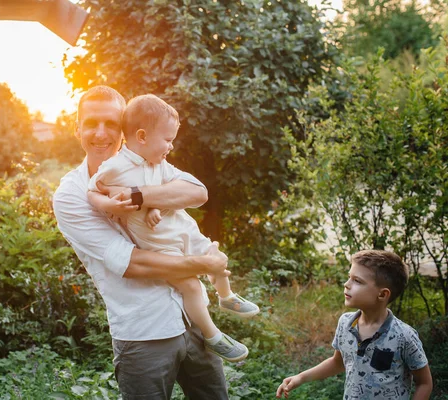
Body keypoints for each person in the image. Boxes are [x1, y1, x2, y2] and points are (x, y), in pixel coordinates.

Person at [52, 86, 232, 399]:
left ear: (125, 131)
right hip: (144, 333)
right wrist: (203, 264)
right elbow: (132, 263)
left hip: (192, 317)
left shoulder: (152, 168)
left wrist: (141, 196)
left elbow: (196, 192)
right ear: (77, 127)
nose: (101, 133)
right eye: (91, 123)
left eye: (111, 123)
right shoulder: (71, 195)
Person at [86, 94, 259, 363]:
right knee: (190, 285)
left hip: (181, 230)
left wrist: (152, 206)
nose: (171, 146)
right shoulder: (115, 167)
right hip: (159, 246)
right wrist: (110, 204)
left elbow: (173, 192)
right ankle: (213, 335)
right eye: (167, 140)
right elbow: (92, 192)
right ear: (142, 136)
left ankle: (226, 296)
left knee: (212, 252)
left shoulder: (160, 165)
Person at [276, 250, 433, 400]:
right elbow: (338, 362)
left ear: (383, 294)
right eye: (349, 277)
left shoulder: (404, 336)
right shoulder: (345, 323)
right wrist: (300, 377)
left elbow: (425, 383)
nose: (346, 284)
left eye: (357, 281)